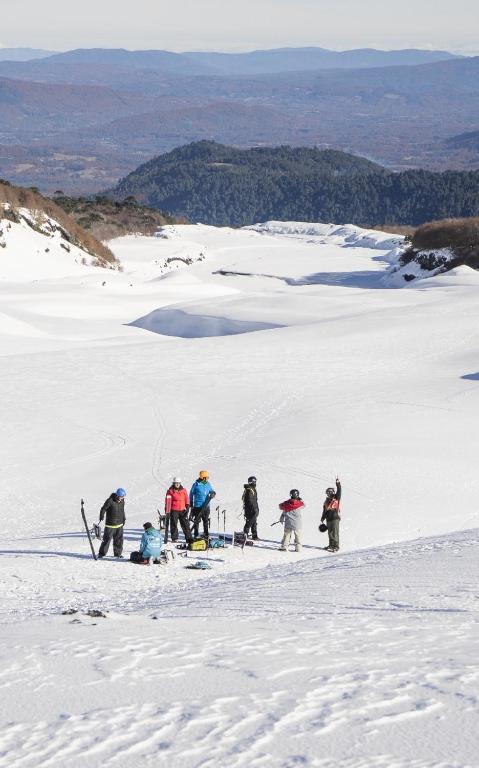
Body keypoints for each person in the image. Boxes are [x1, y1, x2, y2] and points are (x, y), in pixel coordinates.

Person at [98, 487, 126, 559]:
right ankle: (101, 553)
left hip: (119, 524)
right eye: (121, 497)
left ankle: (118, 554)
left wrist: (124, 518)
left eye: (123, 497)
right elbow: (103, 508)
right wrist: (101, 515)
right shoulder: (110, 500)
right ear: (117, 495)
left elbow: (122, 510)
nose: (122, 498)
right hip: (110, 525)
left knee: (119, 540)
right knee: (106, 540)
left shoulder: (122, 501)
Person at [165, 477, 192, 543]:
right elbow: (167, 501)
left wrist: (187, 506)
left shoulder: (183, 490)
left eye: (178, 483)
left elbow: (186, 498)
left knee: (185, 524)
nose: (177, 484)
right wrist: (167, 509)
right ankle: (174, 538)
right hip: (174, 510)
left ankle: (188, 538)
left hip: (182, 510)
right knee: (174, 524)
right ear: (173, 483)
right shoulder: (170, 491)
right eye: (176, 483)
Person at [190, 470, 215, 540]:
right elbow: (191, 494)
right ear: (203, 478)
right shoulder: (196, 485)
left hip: (206, 506)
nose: (207, 479)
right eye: (207, 477)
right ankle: (196, 534)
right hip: (198, 506)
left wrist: (213, 493)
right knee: (197, 521)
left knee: (206, 521)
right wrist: (191, 503)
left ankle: (206, 534)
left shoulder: (208, 484)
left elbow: (211, 490)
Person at [321, 477, 341, 552]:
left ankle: (336, 546)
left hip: (335, 518)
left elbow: (339, 491)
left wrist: (338, 484)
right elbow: (324, 510)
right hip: (328, 518)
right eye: (327, 492)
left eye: (330, 492)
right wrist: (322, 517)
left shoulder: (336, 497)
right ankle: (331, 545)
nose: (329, 493)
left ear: (332, 492)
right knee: (330, 533)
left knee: (335, 533)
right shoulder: (326, 501)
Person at [243, 476, 259, 540]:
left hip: (253, 508)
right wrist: (254, 509)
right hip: (250, 509)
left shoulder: (252, 489)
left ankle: (254, 536)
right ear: (251, 482)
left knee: (254, 522)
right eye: (254, 481)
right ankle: (245, 533)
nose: (255, 482)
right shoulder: (249, 490)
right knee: (250, 521)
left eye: (255, 481)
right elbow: (250, 501)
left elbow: (255, 500)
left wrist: (256, 508)